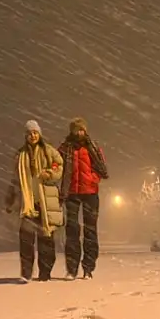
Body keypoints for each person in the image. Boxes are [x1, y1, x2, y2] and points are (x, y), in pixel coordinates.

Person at [4, 120, 64, 283]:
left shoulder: (48, 151)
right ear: (26, 135)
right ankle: (26, 273)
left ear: (40, 134)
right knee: (26, 240)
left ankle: (45, 273)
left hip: (45, 201)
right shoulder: (20, 155)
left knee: (46, 239)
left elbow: (59, 166)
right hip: (27, 203)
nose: (33, 136)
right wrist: (10, 199)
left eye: (35, 132)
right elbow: (15, 179)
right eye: (30, 133)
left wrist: (50, 173)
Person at [58, 117, 109, 280]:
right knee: (72, 231)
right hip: (72, 193)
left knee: (90, 231)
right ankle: (72, 269)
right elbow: (56, 164)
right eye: (76, 129)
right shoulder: (65, 148)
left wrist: (94, 178)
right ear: (71, 131)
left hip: (90, 193)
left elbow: (101, 166)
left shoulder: (92, 147)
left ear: (85, 130)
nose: (79, 132)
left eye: (81, 129)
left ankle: (88, 268)